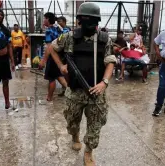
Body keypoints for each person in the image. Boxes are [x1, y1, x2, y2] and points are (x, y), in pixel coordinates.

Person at [49, 2, 117, 165]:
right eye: (85, 20)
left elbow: (110, 62)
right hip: (74, 91)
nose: (89, 24)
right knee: (72, 121)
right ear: (79, 20)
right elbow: (51, 48)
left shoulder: (104, 39)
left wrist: (104, 82)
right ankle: (75, 136)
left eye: (92, 20)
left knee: (95, 125)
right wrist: (61, 65)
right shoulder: (69, 37)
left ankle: (89, 152)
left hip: (96, 91)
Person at [39, 12, 68, 103]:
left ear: (48, 19)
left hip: (52, 57)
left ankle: (49, 97)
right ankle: (71, 92)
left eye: (44, 18)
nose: (43, 20)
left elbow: (49, 47)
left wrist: (43, 61)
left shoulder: (49, 31)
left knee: (51, 78)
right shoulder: (59, 29)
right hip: (60, 57)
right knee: (59, 76)